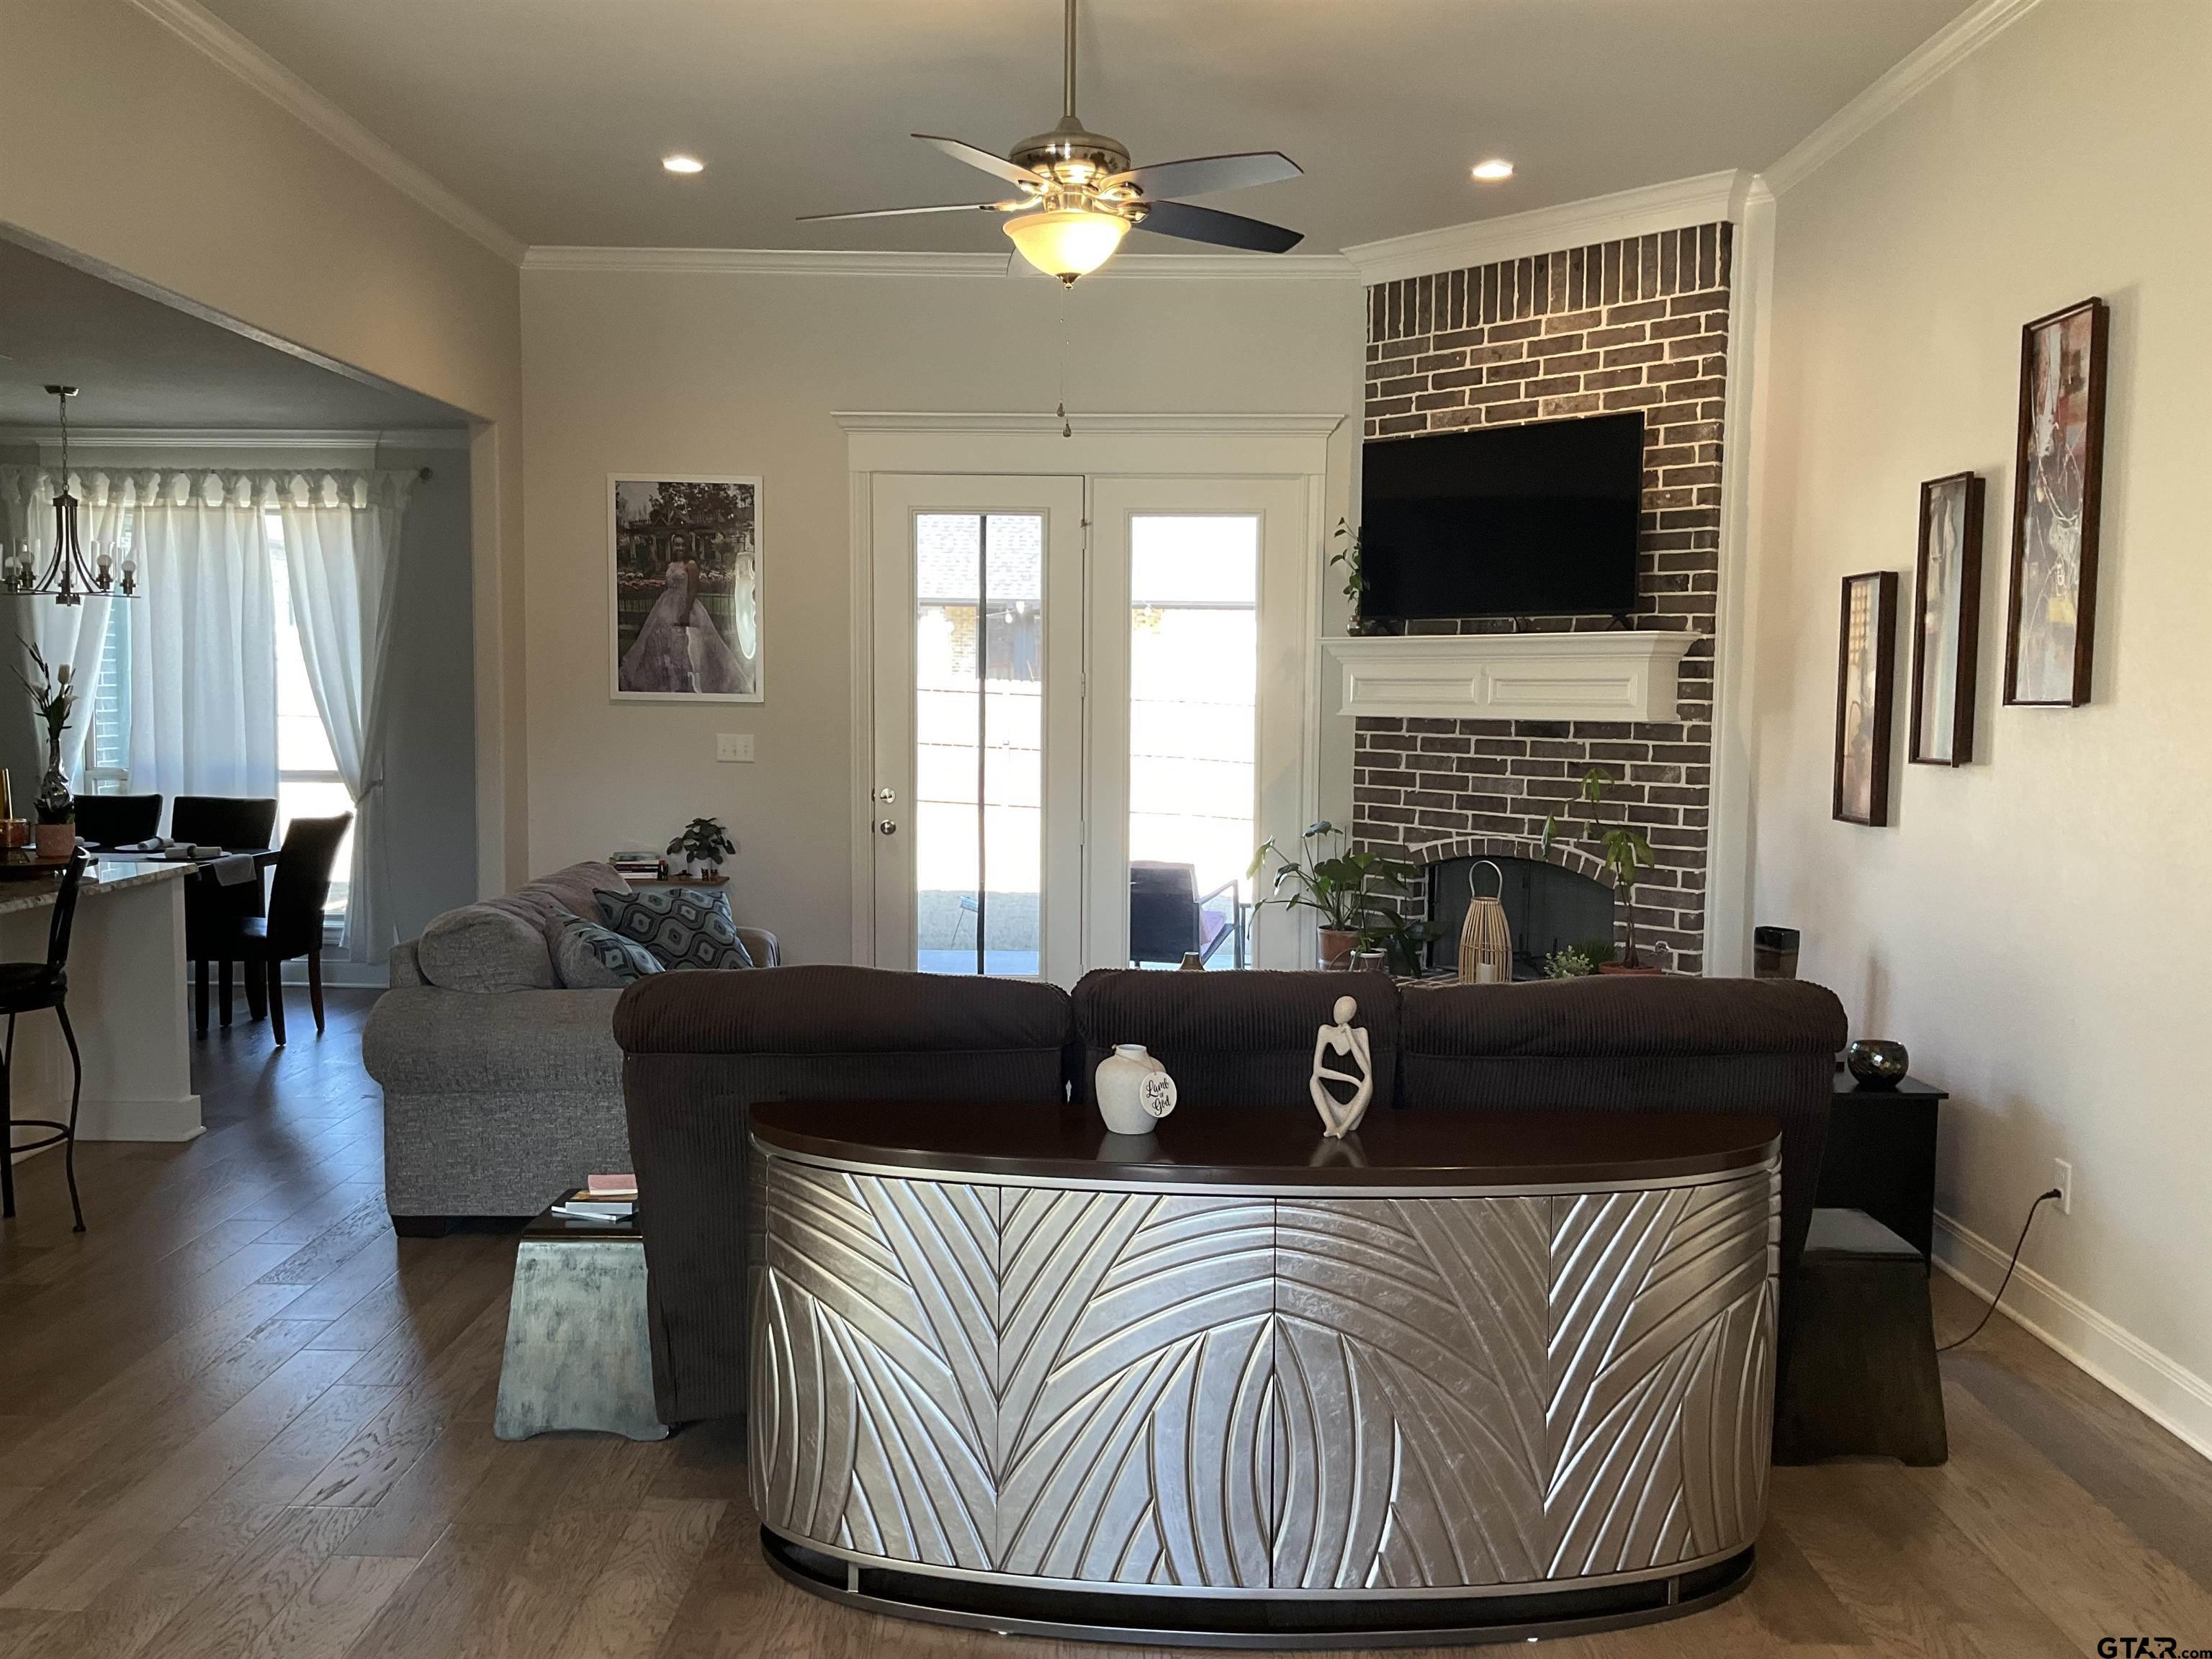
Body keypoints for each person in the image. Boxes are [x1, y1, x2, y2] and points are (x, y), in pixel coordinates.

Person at [621, 543, 746, 694]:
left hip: (685, 603)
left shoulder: (691, 565)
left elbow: (693, 589)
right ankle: (668, 680)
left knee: (687, 644)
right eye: (676, 545)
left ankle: (691, 680)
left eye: (682, 545)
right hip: (667, 604)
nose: (679, 548)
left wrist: (686, 611)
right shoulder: (671, 564)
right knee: (663, 642)